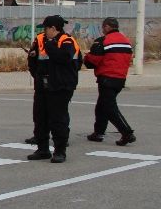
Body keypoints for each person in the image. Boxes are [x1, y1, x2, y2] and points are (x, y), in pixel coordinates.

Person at [26, 15, 80, 163]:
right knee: (40, 117)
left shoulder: (67, 40)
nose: (44, 31)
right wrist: (36, 72)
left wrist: (50, 45)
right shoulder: (40, 39)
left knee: (58, 119)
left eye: (46, 28)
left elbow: (65, 58)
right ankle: (43, 149)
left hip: (60, 87)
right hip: (43, 86)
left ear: (53, 28)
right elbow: (34, 58)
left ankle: (60, 151)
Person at [84, 17, 135, 146]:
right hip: (120, 78)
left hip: (107, 78)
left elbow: (93, 60)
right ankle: (98, 132)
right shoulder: (126, 41)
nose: (102, 30)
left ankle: (127, 132)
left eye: (103, 27)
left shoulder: (103, 41)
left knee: (110, 108)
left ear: (107, 27)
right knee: (101, 106)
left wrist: (86, 57)